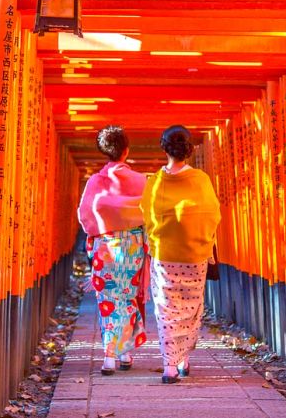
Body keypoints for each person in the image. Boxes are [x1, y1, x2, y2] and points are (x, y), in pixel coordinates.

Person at [140, 125, 221, 384]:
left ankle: (169, 366)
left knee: (166, 309)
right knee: (190, 309)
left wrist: (154, 241)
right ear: (190, 149)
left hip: (164, 254)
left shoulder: (154, 182)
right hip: (195, 254)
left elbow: (147, 216)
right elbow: (212, 214)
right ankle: (184, 358)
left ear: (164, 148)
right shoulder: (200, 180)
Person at [77, 125, 149, 375]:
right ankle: (124, 353)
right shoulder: (141, 181)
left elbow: (85, 215)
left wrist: (98, 233)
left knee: (108, 300)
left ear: (103, 151)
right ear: (126, 151)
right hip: (133, 246)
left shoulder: (96, 181)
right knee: (127, 296)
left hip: (105, 246)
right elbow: (150, 213)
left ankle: (110, 355)